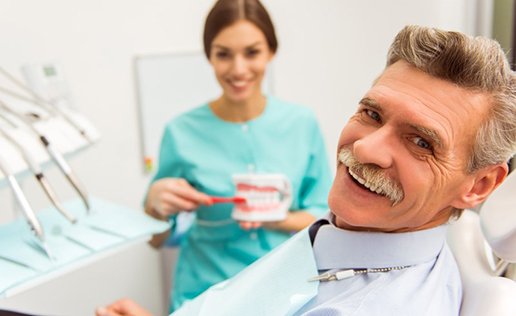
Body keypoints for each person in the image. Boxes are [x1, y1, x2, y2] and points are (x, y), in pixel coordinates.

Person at [97, 24, 516, 316]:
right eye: (371, 113)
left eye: (421, 142)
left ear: (479, 185)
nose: (365, 148)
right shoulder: (348, 235)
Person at [141, 0, 332, 312]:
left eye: (252, 52)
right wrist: (154, 207)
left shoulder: (301, 124)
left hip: (286, 294)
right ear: (209, 57)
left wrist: (279, 218)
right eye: (223, 54)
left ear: (271, 51)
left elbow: (326, 219)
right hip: (204, 297)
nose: (238, 69)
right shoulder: (180, 132)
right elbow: (156, 240)